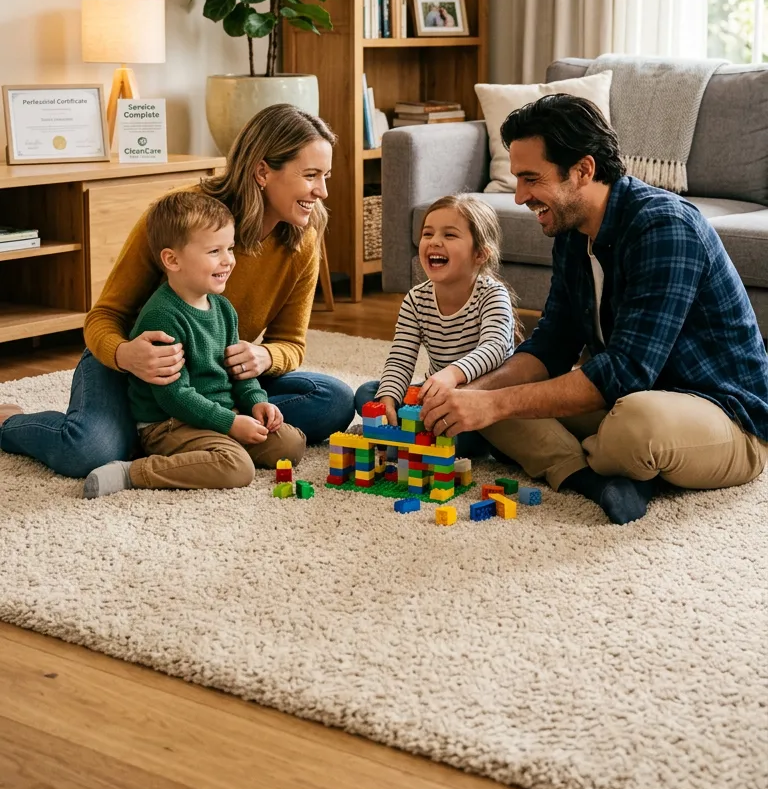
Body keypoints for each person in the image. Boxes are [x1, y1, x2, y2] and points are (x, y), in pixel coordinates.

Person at [421, 95, 768, 525]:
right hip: (622, 397)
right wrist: (473, 397)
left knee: (632, 426)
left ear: (583, 170)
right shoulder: (572, 231)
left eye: (531, 178)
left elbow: (625, 371)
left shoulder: (664, 226)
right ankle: (597, 478)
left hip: (723, 415)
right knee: (483, 396)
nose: (519, 196)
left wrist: (496, 408)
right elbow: (551, 345)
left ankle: (581, 456)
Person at [0, 105, 354, 477]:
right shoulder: (180, 219)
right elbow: (104, 317)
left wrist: (264, 357)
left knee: (334, 401)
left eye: (325, 176)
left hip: (214, 375)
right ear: (263, 171)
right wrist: (125, 354)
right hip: (135, 370)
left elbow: (291, 344)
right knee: (88, 452)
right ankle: (14, 422)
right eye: (311, 175)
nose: (323, 191)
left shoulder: (303, 237)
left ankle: (182, 432)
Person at [83, 190, 306, 498]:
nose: (228, 260)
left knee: (290, 443)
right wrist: (230, 424)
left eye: (230, 248)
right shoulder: (161, 317)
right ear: (172, 260)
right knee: (237, 468)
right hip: (170, 424)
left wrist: (257, 402)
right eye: (214, 251)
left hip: (217, 412)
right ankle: (134, 471)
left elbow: (239, 373)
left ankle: (217, 448)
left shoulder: (223, 308)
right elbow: (174, 397)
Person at [355, 195, 518, 456]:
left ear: (480, 253)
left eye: (450, 235)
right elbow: (400, 359)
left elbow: (495, 347)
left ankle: (418, 439)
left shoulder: (492, 294)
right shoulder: (416, 299)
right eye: (427, 233)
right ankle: (408, 433)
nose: (434, 241)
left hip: (479, 402)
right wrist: (387, 400)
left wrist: (452, 374)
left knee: (491, 432)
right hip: (438, 396)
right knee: (368, 392)